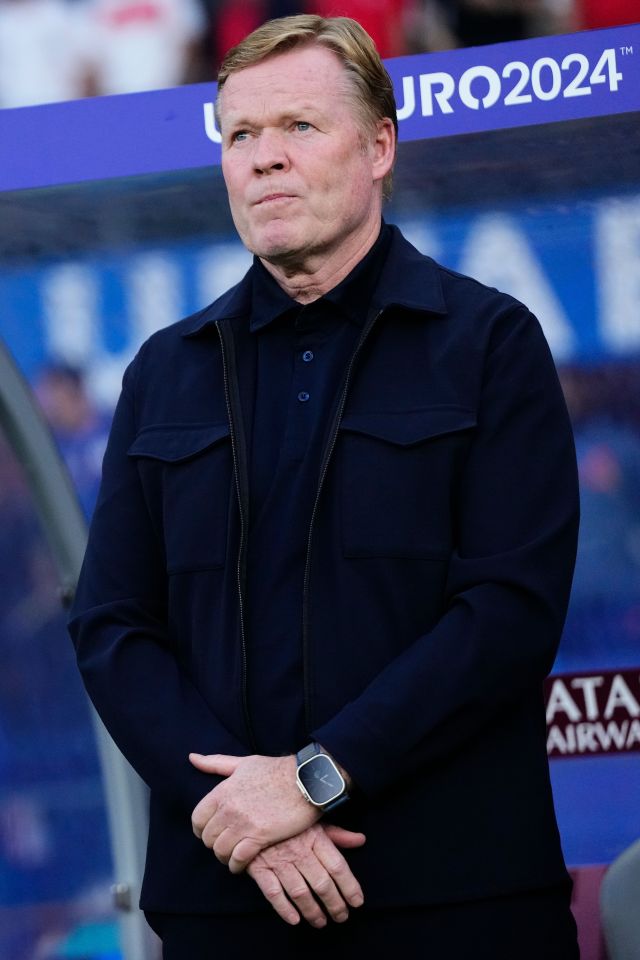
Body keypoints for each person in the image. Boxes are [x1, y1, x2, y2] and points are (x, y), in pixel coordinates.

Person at [69, 14, 581, 958]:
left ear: (380, 145)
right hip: (224, 906)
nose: (264, 159)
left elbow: (508, 611)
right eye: (242, 135)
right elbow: (112, 624)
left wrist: (311, 780)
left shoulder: (490, 344)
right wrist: (237, 809)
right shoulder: (163, 370)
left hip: (455, 905)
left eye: (299, 127)